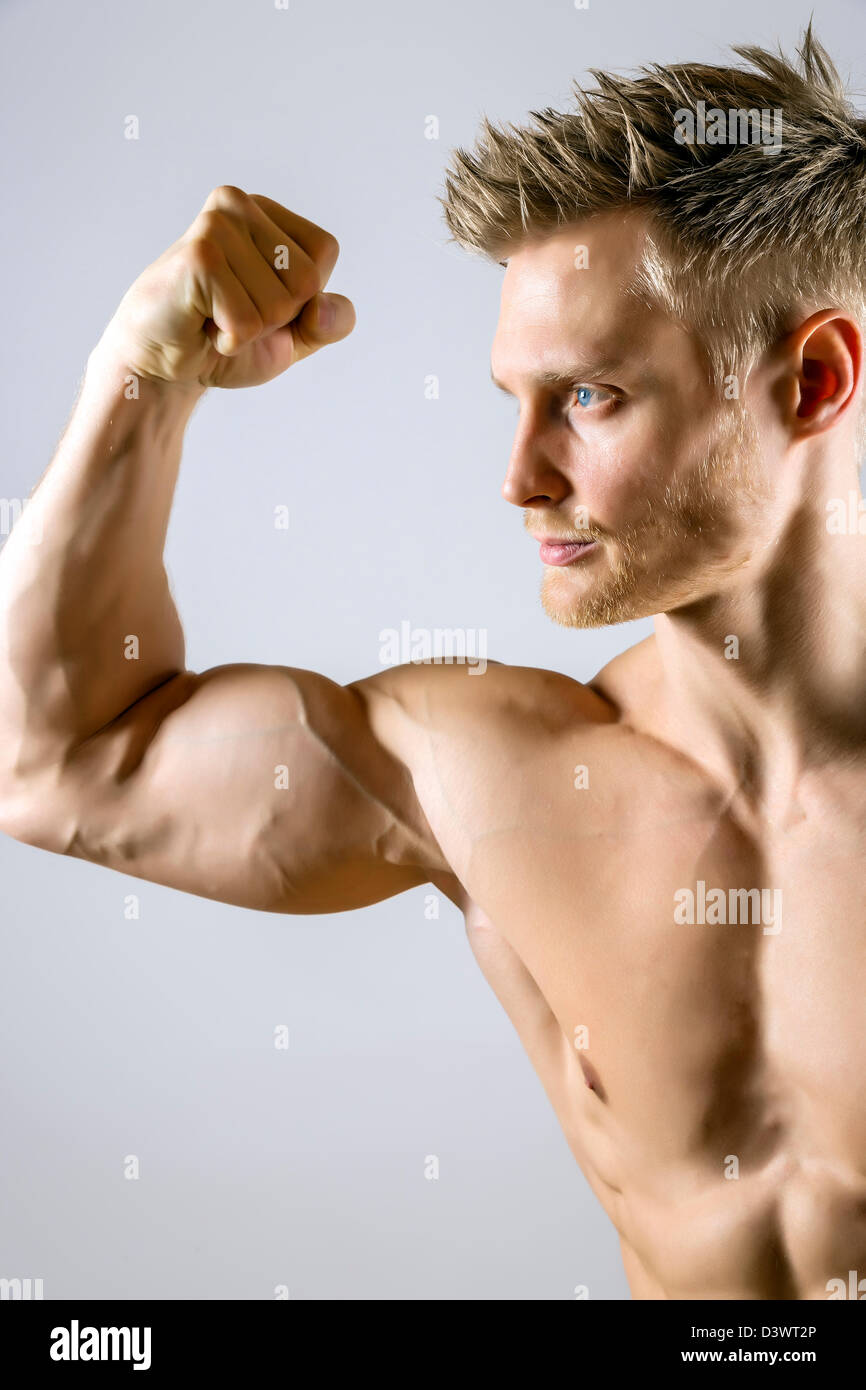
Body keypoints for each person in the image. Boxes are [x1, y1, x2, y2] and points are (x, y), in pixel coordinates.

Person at [1, 23, 865, 1299]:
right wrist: (140, 374)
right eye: (509, 400)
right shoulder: (496, 775)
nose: (516, 479)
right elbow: (59, 763)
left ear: (811, 379)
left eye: (586, 398)